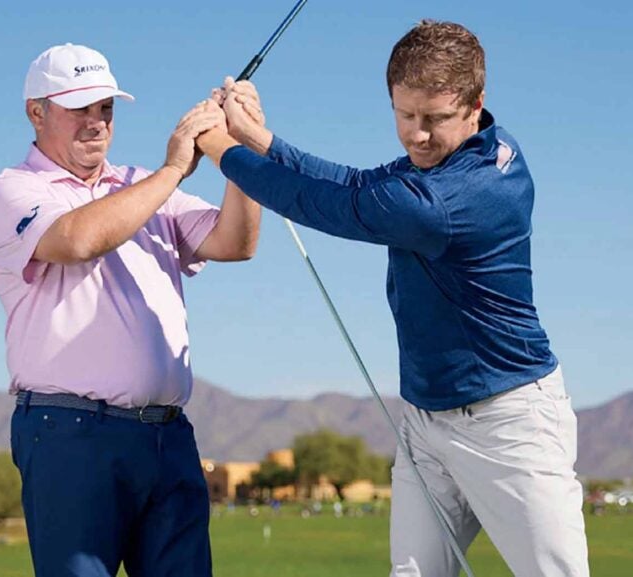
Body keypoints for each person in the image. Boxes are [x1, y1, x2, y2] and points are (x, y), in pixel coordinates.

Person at [195, 20, 589, 577]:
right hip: (426, 422)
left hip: (508, 423)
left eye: (435, 119)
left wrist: (221, 149)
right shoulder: (464, 155)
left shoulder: (452, 198)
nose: (418, 136)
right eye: (405, 116)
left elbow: (329, 206)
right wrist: (259, 139)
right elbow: (357, 184)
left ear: (475, 106)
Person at [0, 43, 260, 577]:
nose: (97, 122)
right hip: (69, 432)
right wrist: (174, 168)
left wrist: (242, 154)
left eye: (105, 107)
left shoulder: (144, 186)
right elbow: (78, 238)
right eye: (79, 108)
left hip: (168, 436)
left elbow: (235, 242)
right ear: (35, 111)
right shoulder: (13, 190)